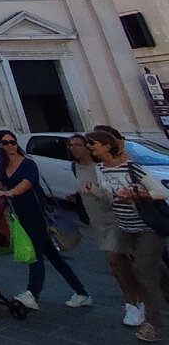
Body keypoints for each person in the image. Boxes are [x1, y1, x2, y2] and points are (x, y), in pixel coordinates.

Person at [0, 128, 91, 311]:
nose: (10, 146)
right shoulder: (1, 164)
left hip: (36, 212)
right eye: (5, 143)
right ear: (0, 145)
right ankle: (82, 292)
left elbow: (27, 183)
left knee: (35, 253)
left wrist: (9, 192)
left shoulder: (27, 163)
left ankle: (32, 293)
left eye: (12, 142)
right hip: (19, 213)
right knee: (53, 257)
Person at [87, 129, 169, 342]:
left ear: (106, 146)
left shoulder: (131, 167)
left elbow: (162, 193)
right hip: (126, 227)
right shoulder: (101, 170)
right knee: (154, 269)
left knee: (144, 273)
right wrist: (92, 190)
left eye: (93, 144)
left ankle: (154, 325)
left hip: (146, 227)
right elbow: (109, 197)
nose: (90, 148)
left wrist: (136, 194)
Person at [72, 133, 144, 327]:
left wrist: (93, 189)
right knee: (118, 266)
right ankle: (136, 300)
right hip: (98, 223)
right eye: (71, 145)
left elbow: (111, 195)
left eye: (78, 145)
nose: (74, 148)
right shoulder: (77, 167)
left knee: (117, 261)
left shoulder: (102, 167)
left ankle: (135, 304)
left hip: (115, 219)